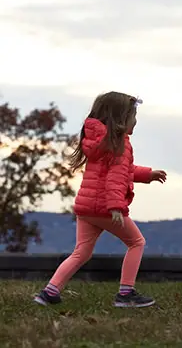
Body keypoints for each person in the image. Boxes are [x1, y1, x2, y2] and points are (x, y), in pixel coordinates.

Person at [33, 92, 167, 308]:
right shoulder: (120, 144)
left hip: (86, 208)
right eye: (133, 116)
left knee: (81, 252)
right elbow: (115, 178)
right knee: (136, 242)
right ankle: (126, 293)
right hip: (106, 208)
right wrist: (115, 206)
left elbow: (120, 171)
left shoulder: (99, 142)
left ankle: (50, 292)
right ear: (121, 119)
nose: (136, 121)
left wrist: (146, 175)